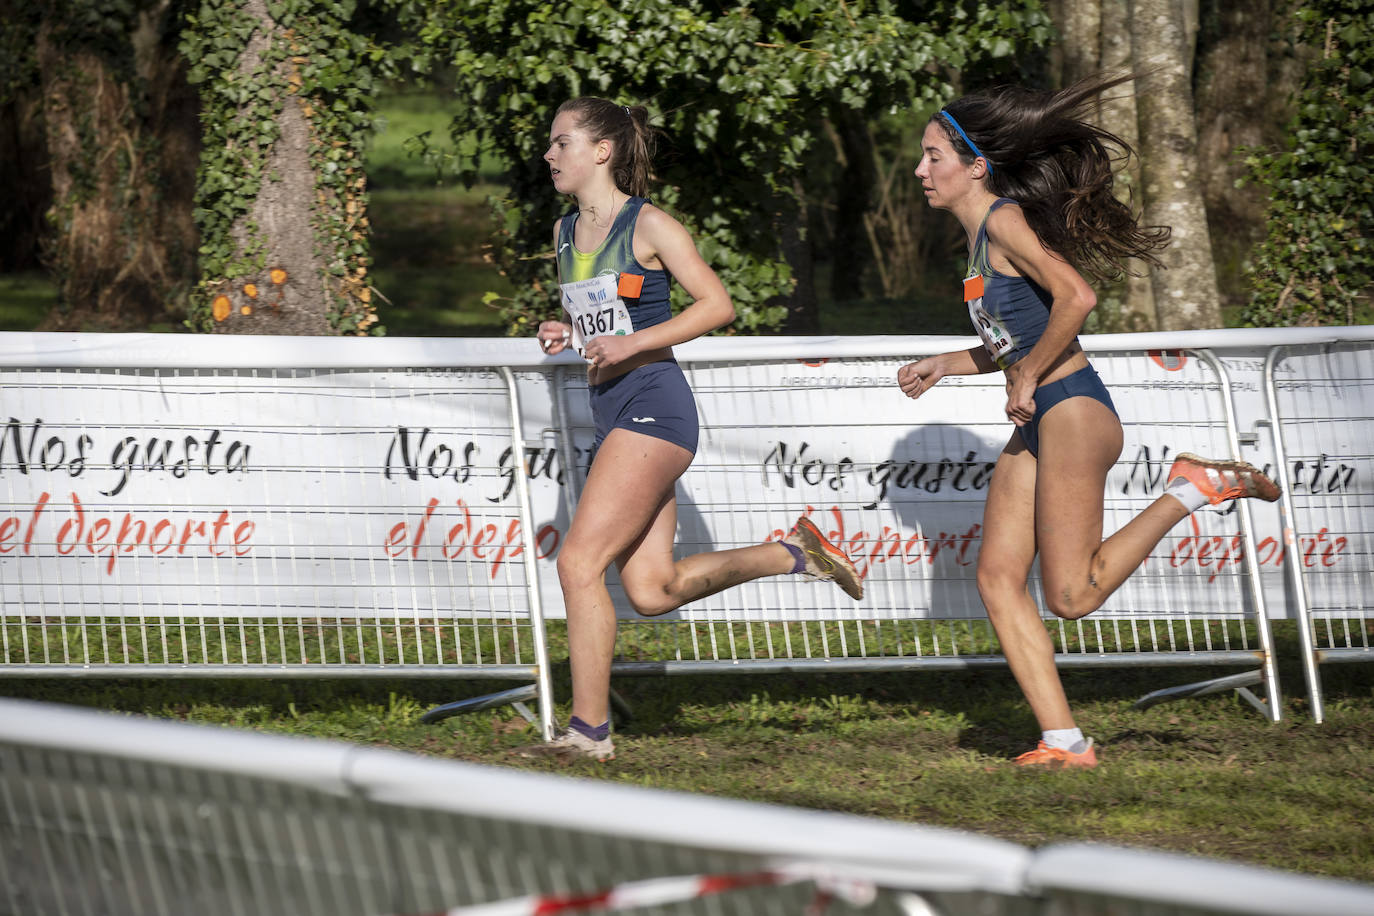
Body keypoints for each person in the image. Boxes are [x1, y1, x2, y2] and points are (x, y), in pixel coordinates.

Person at [896, 75, 1280, 769]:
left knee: (1071, 595)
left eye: (932, 156)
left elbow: (1078, 297)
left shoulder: (1004, 220)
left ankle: (1191, 488)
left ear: (975, 165)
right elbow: (1016, 337)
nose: (921, 170)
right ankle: (1064, 741)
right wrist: (949, 364)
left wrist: (1028, 373)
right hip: (1046, 414)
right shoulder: (981, 240)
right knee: (996, 577)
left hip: (1072, 410)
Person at [524, 97, 863, 761]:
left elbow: (718, 305)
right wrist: (566, 330)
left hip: (656, 405)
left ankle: (587, 735)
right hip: (613, 407)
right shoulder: (566, 233)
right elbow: (603, 321)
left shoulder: (649, 224)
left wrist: (632, 346)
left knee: (579, 563)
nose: (549, 154)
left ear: (602, 151)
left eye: (562, 142)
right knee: (653, 590)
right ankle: (797, 553)